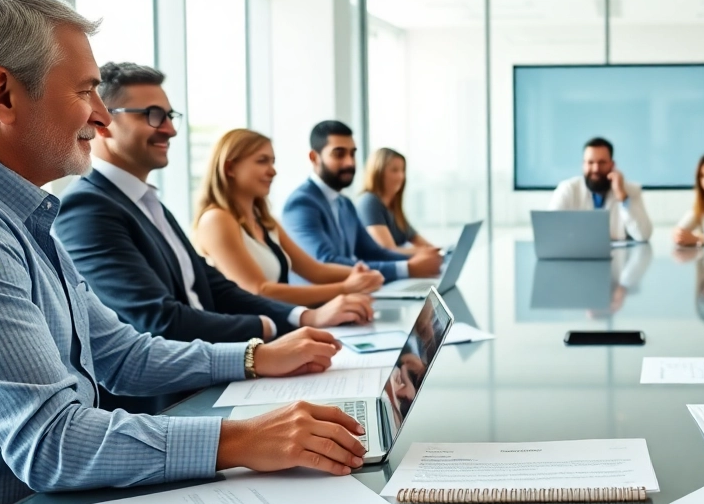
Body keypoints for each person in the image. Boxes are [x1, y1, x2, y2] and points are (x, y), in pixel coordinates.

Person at [0, 0, 370, 504]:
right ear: (3, 94)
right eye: (86, 90)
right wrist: (242, 440)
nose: (99, 116)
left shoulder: (18, 209)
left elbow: (120, 354)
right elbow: (51, 442)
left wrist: (257, 357)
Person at [55, 64, 373, 412]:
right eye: (154, 115)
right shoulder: (88, 207)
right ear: (103, 123)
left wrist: (301, 318)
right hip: (171, 404)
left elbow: (214, 287)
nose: (171, 130)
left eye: (170, 115)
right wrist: (266, 335)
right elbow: (160, 321)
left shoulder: (145, 200)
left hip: (213, 377)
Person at [193, 129, 387, 307]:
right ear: (229, 168)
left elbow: (315, 270)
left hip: (278, 325)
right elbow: (259, 290)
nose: (273, 171)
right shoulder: (216, 220)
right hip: (251, 338)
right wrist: (345, 288)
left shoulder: (266, 221)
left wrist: (362, 274)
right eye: (262, 161)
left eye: (273, 162)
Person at [281, 121, 442, 280]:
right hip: (319, 303)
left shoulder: (345, 204)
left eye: (352, 153)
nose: (350, 162)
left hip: (352, 296)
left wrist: (423, 261)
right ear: (314, 157)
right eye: (339, 154)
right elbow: (326, 262)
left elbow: (373, 252)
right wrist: (406, 268)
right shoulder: (301, 204)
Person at [548, 136, 652, 242]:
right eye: (590, 162)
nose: (596, 169)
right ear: (583, 165)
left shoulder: (629, 190)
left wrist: (622, 196)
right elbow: (550, 230)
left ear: (612, 165)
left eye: (602, 163)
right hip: (576, 255)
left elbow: (643, 235)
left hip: (618, 256)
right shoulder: (568, 189)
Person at [357, 147, 439, 255]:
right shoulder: (369, 202)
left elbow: (427, 246)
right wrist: (426, 252)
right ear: (378, 172)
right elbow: (388, 251)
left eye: (402, 170)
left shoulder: (394, 208)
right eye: (394, 170)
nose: (401, 176)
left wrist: (440, 251)